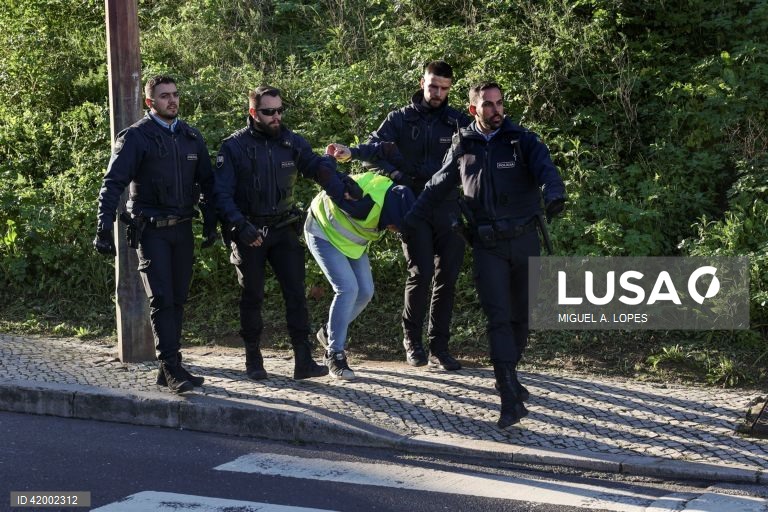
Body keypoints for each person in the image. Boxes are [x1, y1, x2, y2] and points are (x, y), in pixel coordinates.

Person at [403, 81, 566, 428]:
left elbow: (547, 172)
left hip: (524, 242)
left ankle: (511, 376)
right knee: (498, 318)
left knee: (522, 318)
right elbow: (437, 184)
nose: (495, 110)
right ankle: (507, 395)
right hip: (486, 245)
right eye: (488, 105)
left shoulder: (522, 140)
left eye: (499, 103)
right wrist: (411, 219)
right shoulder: (463, 145)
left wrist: (555, 195)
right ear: (474, 109)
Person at [213, 85, 355, 381]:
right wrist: (240, 226)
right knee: (252, 296)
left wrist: (335, 170)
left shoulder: (291, 142)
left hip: (283, 229)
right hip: (249, 231)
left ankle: (303, 361)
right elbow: (221, 195)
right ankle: (254, 360)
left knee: (296, 296)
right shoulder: (234, 146)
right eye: (269, 112)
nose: (276, 116)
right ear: (253, 113)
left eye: (279, 110)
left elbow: (315, 167)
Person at [94, 75, 216, 394]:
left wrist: (213, 224)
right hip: (152, 231)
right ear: (150, 102)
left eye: (175, 95)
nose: (172, 101)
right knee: (161, 299)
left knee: (177, 299)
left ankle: (169, 367)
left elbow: (209, 183)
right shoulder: (136, 137)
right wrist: (103, 227)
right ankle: (172, 368)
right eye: (164, 96)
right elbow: (113, 183)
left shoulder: (191, 136)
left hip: (182, 229)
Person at [359, 60, 472, 371]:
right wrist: (395, 174)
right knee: (420, 273)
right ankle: (412, 342)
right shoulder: (399, 119)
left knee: (446, 277)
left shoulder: (458, 121)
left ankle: (440, 346)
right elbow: (370, 153)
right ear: (422, 82)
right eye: (432, 85)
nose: (436, 93)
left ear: (451, 89)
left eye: (443, 88)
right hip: (412, 207)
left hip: (448, 207)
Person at [307, 142, 415, 380]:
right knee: (347, 289)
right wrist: (330, 157)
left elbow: (384, 150)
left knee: (365, 291)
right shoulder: (364, 204)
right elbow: (328, 177)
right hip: (322, 229)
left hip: (350, 242)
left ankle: (328, 332)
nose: (394, 230)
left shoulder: (396, 195)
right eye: (395, 225)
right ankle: (334, 354)